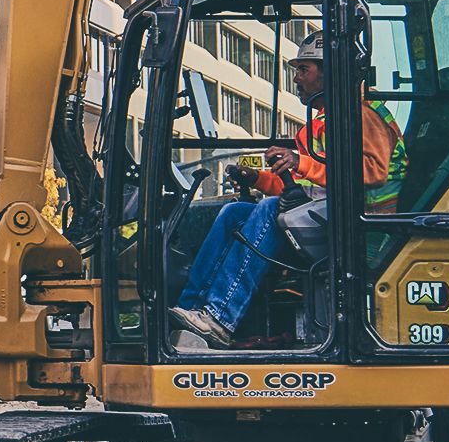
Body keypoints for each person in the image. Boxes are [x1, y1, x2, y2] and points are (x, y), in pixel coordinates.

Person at [171, 33, 406, 347]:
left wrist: (301, 162)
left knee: (270, 210)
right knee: (234, 213)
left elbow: (373, 172)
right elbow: (305, 187)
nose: (296, 78)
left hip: (365, 225)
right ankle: (192, 310)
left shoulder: (362, 115)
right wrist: (257, 178)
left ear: (331, 73)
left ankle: (220, 317)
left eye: (303, 69)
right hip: (332, 214)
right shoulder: (326, 120)